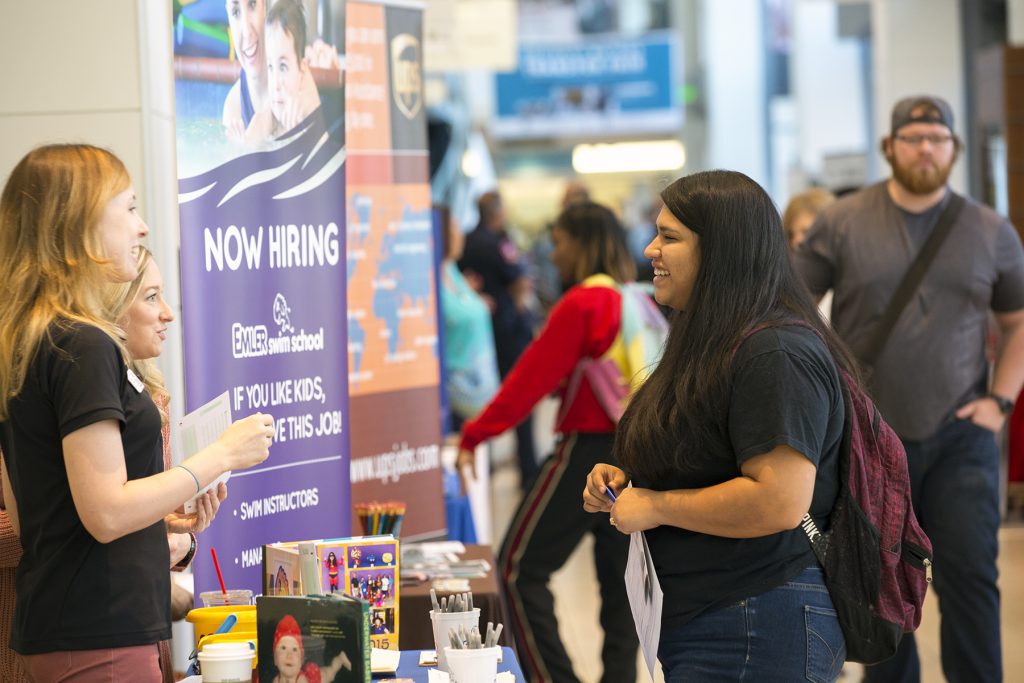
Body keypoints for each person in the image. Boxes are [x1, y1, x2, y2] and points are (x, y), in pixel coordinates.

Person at [0, 144, 275, 681]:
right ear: (77, 225)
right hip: (97, 634)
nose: (142, 226)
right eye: (127, 208)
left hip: (64, 627)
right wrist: (219, 457)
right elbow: (103, 513)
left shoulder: (31, 341)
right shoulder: (82, 344)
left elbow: (39, 507)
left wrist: (164, 518)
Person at [583, 170, 852, 682]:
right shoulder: (715, 341)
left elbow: (778, 500)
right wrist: (629, 482)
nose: (650, 250)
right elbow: (708, 455)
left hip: (755, 621)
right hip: (720, 620)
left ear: (721, 249)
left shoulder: (774, 351)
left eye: (669, 237)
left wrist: (657, 506)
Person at [795, 95, 1024, 683]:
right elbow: (789, 303)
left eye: (937, 138)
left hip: (961, 436)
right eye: (914, 136)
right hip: (870, 441)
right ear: (889, 147)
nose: (926, 147)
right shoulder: (842, 222)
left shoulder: (991, 231)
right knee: (882, 587)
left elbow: (1018, 321)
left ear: (954, 150)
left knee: (972, 578)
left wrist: (998, 402)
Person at [458, 201, 640, 683]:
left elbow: (528, 383)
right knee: (623, 589)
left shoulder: (582, 303)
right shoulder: (636, 299)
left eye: (558, 243)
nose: (553, 256)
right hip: (638, 456)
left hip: (586, 453)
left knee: (517, 572)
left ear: (581, 244)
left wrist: (475, 435)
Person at [458, 191, 539, 488]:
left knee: (481, 402)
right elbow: (519, 277)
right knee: (519, 395)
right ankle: (528, 468)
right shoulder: (499, 243)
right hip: (507, 332)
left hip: (479, 336)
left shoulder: (467, 241)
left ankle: (484, 463)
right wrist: (519, 304)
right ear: (497, 213)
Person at [438, 204, 500, 430]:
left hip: (479, 388)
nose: (460, 234)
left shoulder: (453, 272)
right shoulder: (432, 278)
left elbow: (463, 308)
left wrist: (477, 301)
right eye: (454, 228)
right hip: (453, 393)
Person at [251, 0, 322, 139]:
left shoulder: (308, 117)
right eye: (270, 66)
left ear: (301, 72)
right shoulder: (261, 124)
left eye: (283, 67)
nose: (275, 84)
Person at [222, 0, 270, 142]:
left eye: (252, 5)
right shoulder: (233, 109)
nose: (247, 31)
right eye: (235, 12)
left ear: (264, 6)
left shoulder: (295, 81)